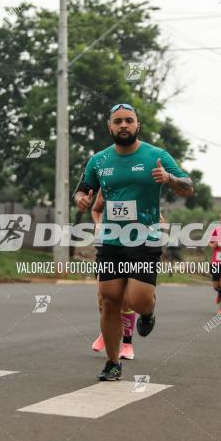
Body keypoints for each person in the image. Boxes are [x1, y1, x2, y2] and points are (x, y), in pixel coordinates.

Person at [74, 103, 193, 381]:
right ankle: (113, 361)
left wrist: (169, 178)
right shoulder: (99, 161)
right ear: (110, 127)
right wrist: (80, 198)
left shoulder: (156, 155)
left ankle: (148, 312)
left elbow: (188, 187)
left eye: (129, 120)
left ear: (137, 125)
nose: (124, 125)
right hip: (112, 239)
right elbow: (82, 191)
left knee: (136, 300)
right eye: (118, 121)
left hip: (145, 236)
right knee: (109, 300)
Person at [90, 189, 137, 359]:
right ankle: (107, 332)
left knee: (125, 301)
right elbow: (95, 210)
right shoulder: (106, 187)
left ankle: (127, 343)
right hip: (107, 248)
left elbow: (158, 219)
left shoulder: (139, 188)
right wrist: (98, 224)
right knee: (103, 298)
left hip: (131, 249)